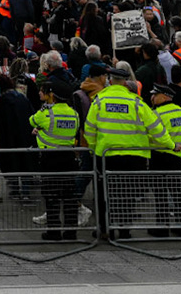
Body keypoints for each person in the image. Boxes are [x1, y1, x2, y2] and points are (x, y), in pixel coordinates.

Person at [84, 61, 153, 240]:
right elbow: (155, 127)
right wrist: (171, 145)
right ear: (125, 81)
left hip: (106, 155)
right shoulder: (137, 102)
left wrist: (94, 148)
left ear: (110, 80)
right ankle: (123, 230)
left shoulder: (100, 101)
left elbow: (90, 129)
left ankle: (104, 228)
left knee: (104, 193)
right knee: (126, 195)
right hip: (133, 156)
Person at [29, 73, 83, 242]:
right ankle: (71, 232)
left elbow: (32, 120)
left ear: (51, 95)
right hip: (68, 157)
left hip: (50, 159)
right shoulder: (74, 114)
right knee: (69, 197)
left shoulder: (46, 114)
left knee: (51, 197)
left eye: (42, 91)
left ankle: (53, 231)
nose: (39, 93)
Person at [145, 84, 181, 238]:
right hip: (177, 157)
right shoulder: (179, 110)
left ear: (164, 96)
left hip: (160, 156)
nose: (152, 97)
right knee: (178, 192)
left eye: (155, 95)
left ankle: (162, 228)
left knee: (160, 193)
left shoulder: (156, 114)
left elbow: (151, 135)